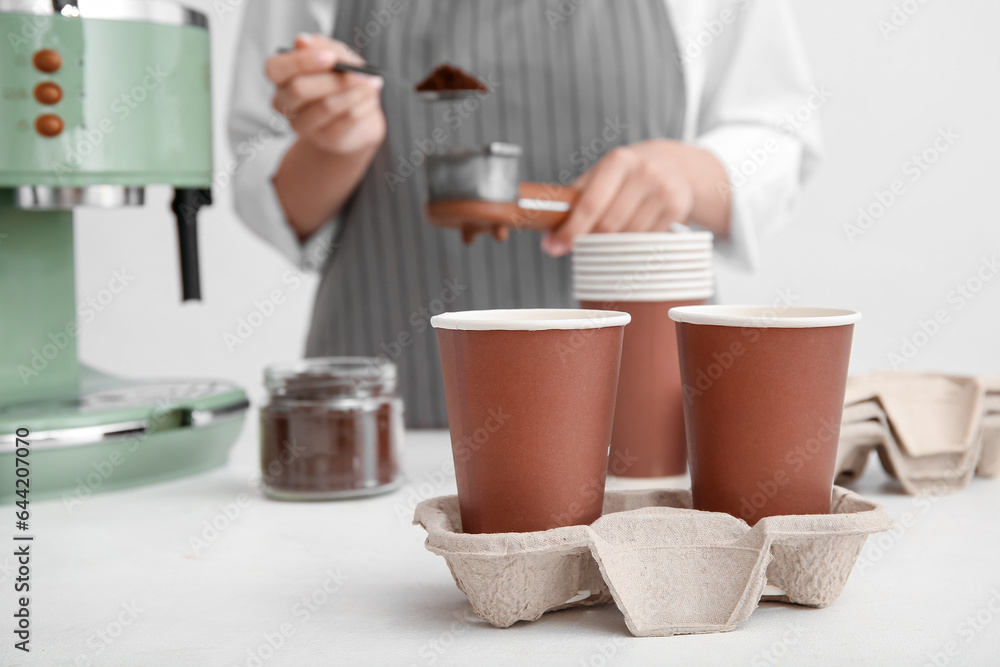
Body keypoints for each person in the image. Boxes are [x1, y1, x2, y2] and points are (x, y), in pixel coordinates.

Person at [229, 0, 821, 427]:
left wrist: (693, 174)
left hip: (643, 422)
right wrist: (333, 146)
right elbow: (264, 175)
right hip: (389, 424)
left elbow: (777, 131)